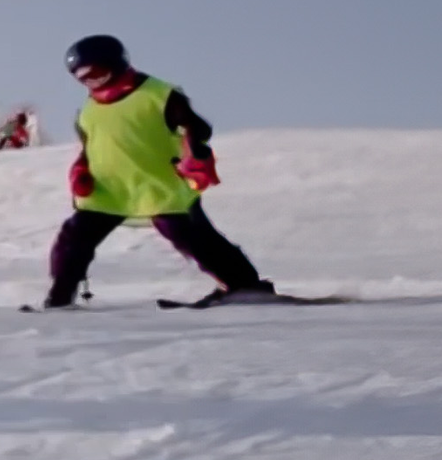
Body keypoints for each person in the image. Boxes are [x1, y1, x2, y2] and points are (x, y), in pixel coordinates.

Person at [43, 35, 276, 310]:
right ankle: (60, 297)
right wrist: (80, 172)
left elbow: (196, 128)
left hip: (159, 184)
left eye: (96, 73)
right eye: (82, 78)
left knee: (190, 235)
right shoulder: (89, 111)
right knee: (75, 236)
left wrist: (195, 155)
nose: (90, 82)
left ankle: (244, 285)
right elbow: (90, 147)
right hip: (110, 189)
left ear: (116, 63)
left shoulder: (158, 95)